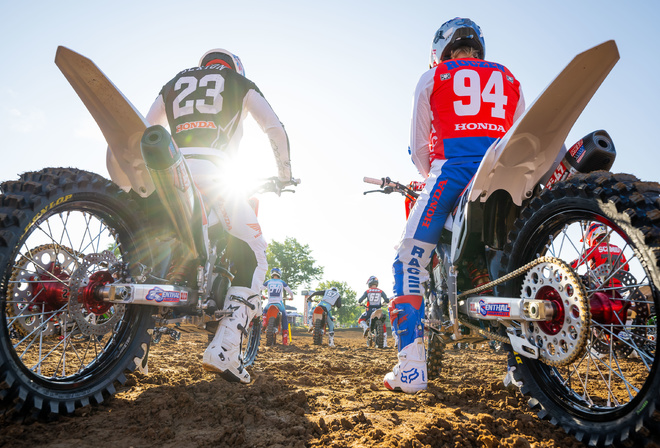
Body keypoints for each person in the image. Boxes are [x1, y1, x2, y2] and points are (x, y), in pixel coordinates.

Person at [385, 18, 525, 393]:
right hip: (506, 177)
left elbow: (419, 150)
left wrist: (434, 176)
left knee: (407, 259)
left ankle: (411, 370)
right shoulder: (508, 78)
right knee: (515, 263)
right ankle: (521, 369)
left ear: (440, 49)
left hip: (453, 174)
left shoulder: (434, 77)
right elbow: (520, 134)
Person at [146, 48, 295, 384]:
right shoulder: (238, 82)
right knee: (255, 253)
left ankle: (134, 355)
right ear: (235, 68)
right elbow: (274, 128)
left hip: (167, 172)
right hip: (213, 173)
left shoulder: (174, 83)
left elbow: (144, 128)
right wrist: (284, 175)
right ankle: (225, 349)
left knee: (148, 256)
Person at [262, 267, 295, 345]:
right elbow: (290, 291)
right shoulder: (282, 282)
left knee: (264, 311)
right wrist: (291, 297)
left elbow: (260, 289)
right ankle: (285, 339)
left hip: (270, 303)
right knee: (284, 317)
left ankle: (264, 323)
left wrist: (262, 295)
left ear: (272, 274)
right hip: (279, 304)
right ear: (279, 274)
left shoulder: (268, 282)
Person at [357, 276, 390, 347]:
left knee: (360, 320)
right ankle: (385, 344)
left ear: (369, 283)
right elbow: (387, 300)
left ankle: (365, 327)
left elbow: (360, 300)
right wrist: (385, 302)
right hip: (378, 310)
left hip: (369, 310)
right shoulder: (381, 291)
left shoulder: (367, 291)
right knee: (383, 323)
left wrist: (360, 303)